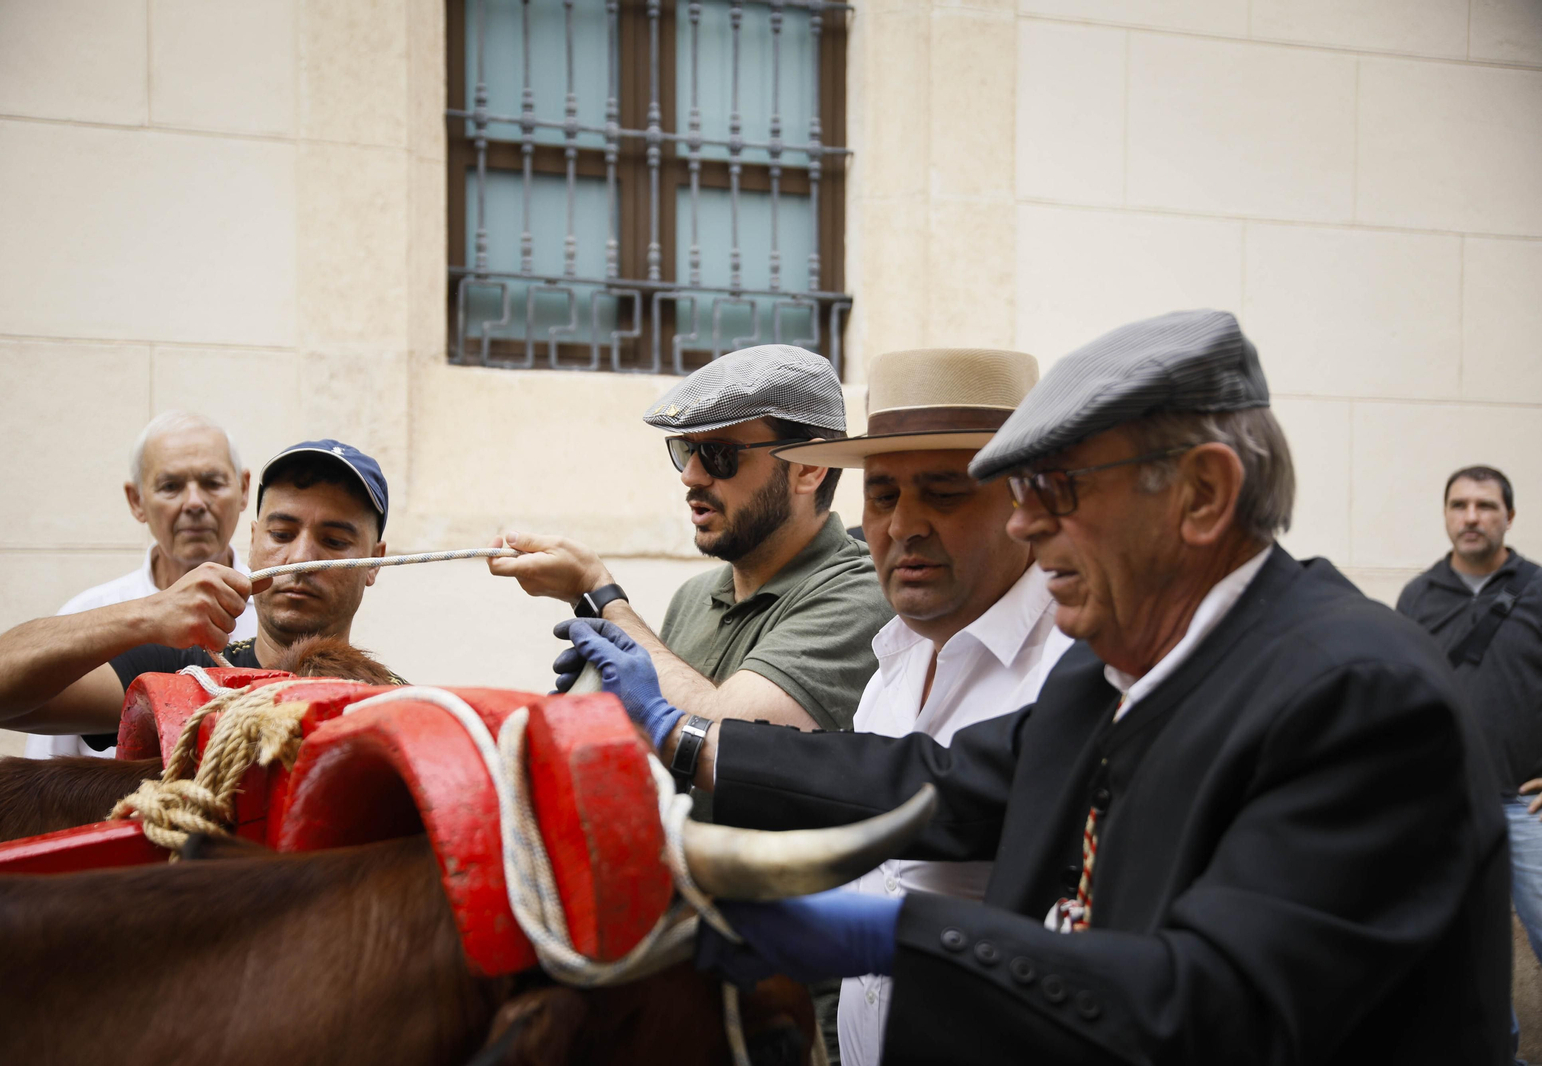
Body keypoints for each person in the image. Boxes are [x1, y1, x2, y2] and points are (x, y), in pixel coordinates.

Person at [564, 310, 1511, 1063]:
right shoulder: (1114, 675)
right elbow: (933, 784)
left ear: (1203, 495)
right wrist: (685, 736)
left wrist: (895, 937)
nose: (1025, 530)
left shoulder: (1362, 696)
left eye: (1054, 488)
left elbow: (1216, 1010)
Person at [771, 346, 1074, 1066]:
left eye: (943, 493)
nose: (904, 524)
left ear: (1024, 503)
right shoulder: (890, 673)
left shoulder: (1075, 669)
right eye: (882, 496)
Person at [490, 344, 893, 803]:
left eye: (720, 455)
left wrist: (603, 598)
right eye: (685, 450)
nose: (692, 475)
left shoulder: (862, 592)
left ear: (809, 468)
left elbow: (730, 736)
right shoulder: (694, 596)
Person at [0, 440, 401, 746]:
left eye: (335, 542)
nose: (301, 558)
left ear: (374, 562)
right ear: (254, 539)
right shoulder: (180, 671)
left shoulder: (394, 705)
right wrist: (150, 613)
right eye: (281, 534)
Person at [23, 411, 259, 759]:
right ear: (137, 501)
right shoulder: (89, 616)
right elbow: (44, 770)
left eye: (212, 482)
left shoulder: (276, 617)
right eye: (171, 486)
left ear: (243, 490)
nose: (194, 503)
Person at [1398, 467, 1542, 969]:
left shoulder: (1539, 589)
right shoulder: (1418, 596)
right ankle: (1497, 1052)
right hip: (1446, 801)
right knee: (1469, 951)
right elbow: (1402, 693)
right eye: (1459, 505)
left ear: (1510, 516)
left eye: (1485, 506)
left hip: (1528, 807)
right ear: (1446, 515)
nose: (1472, 517)